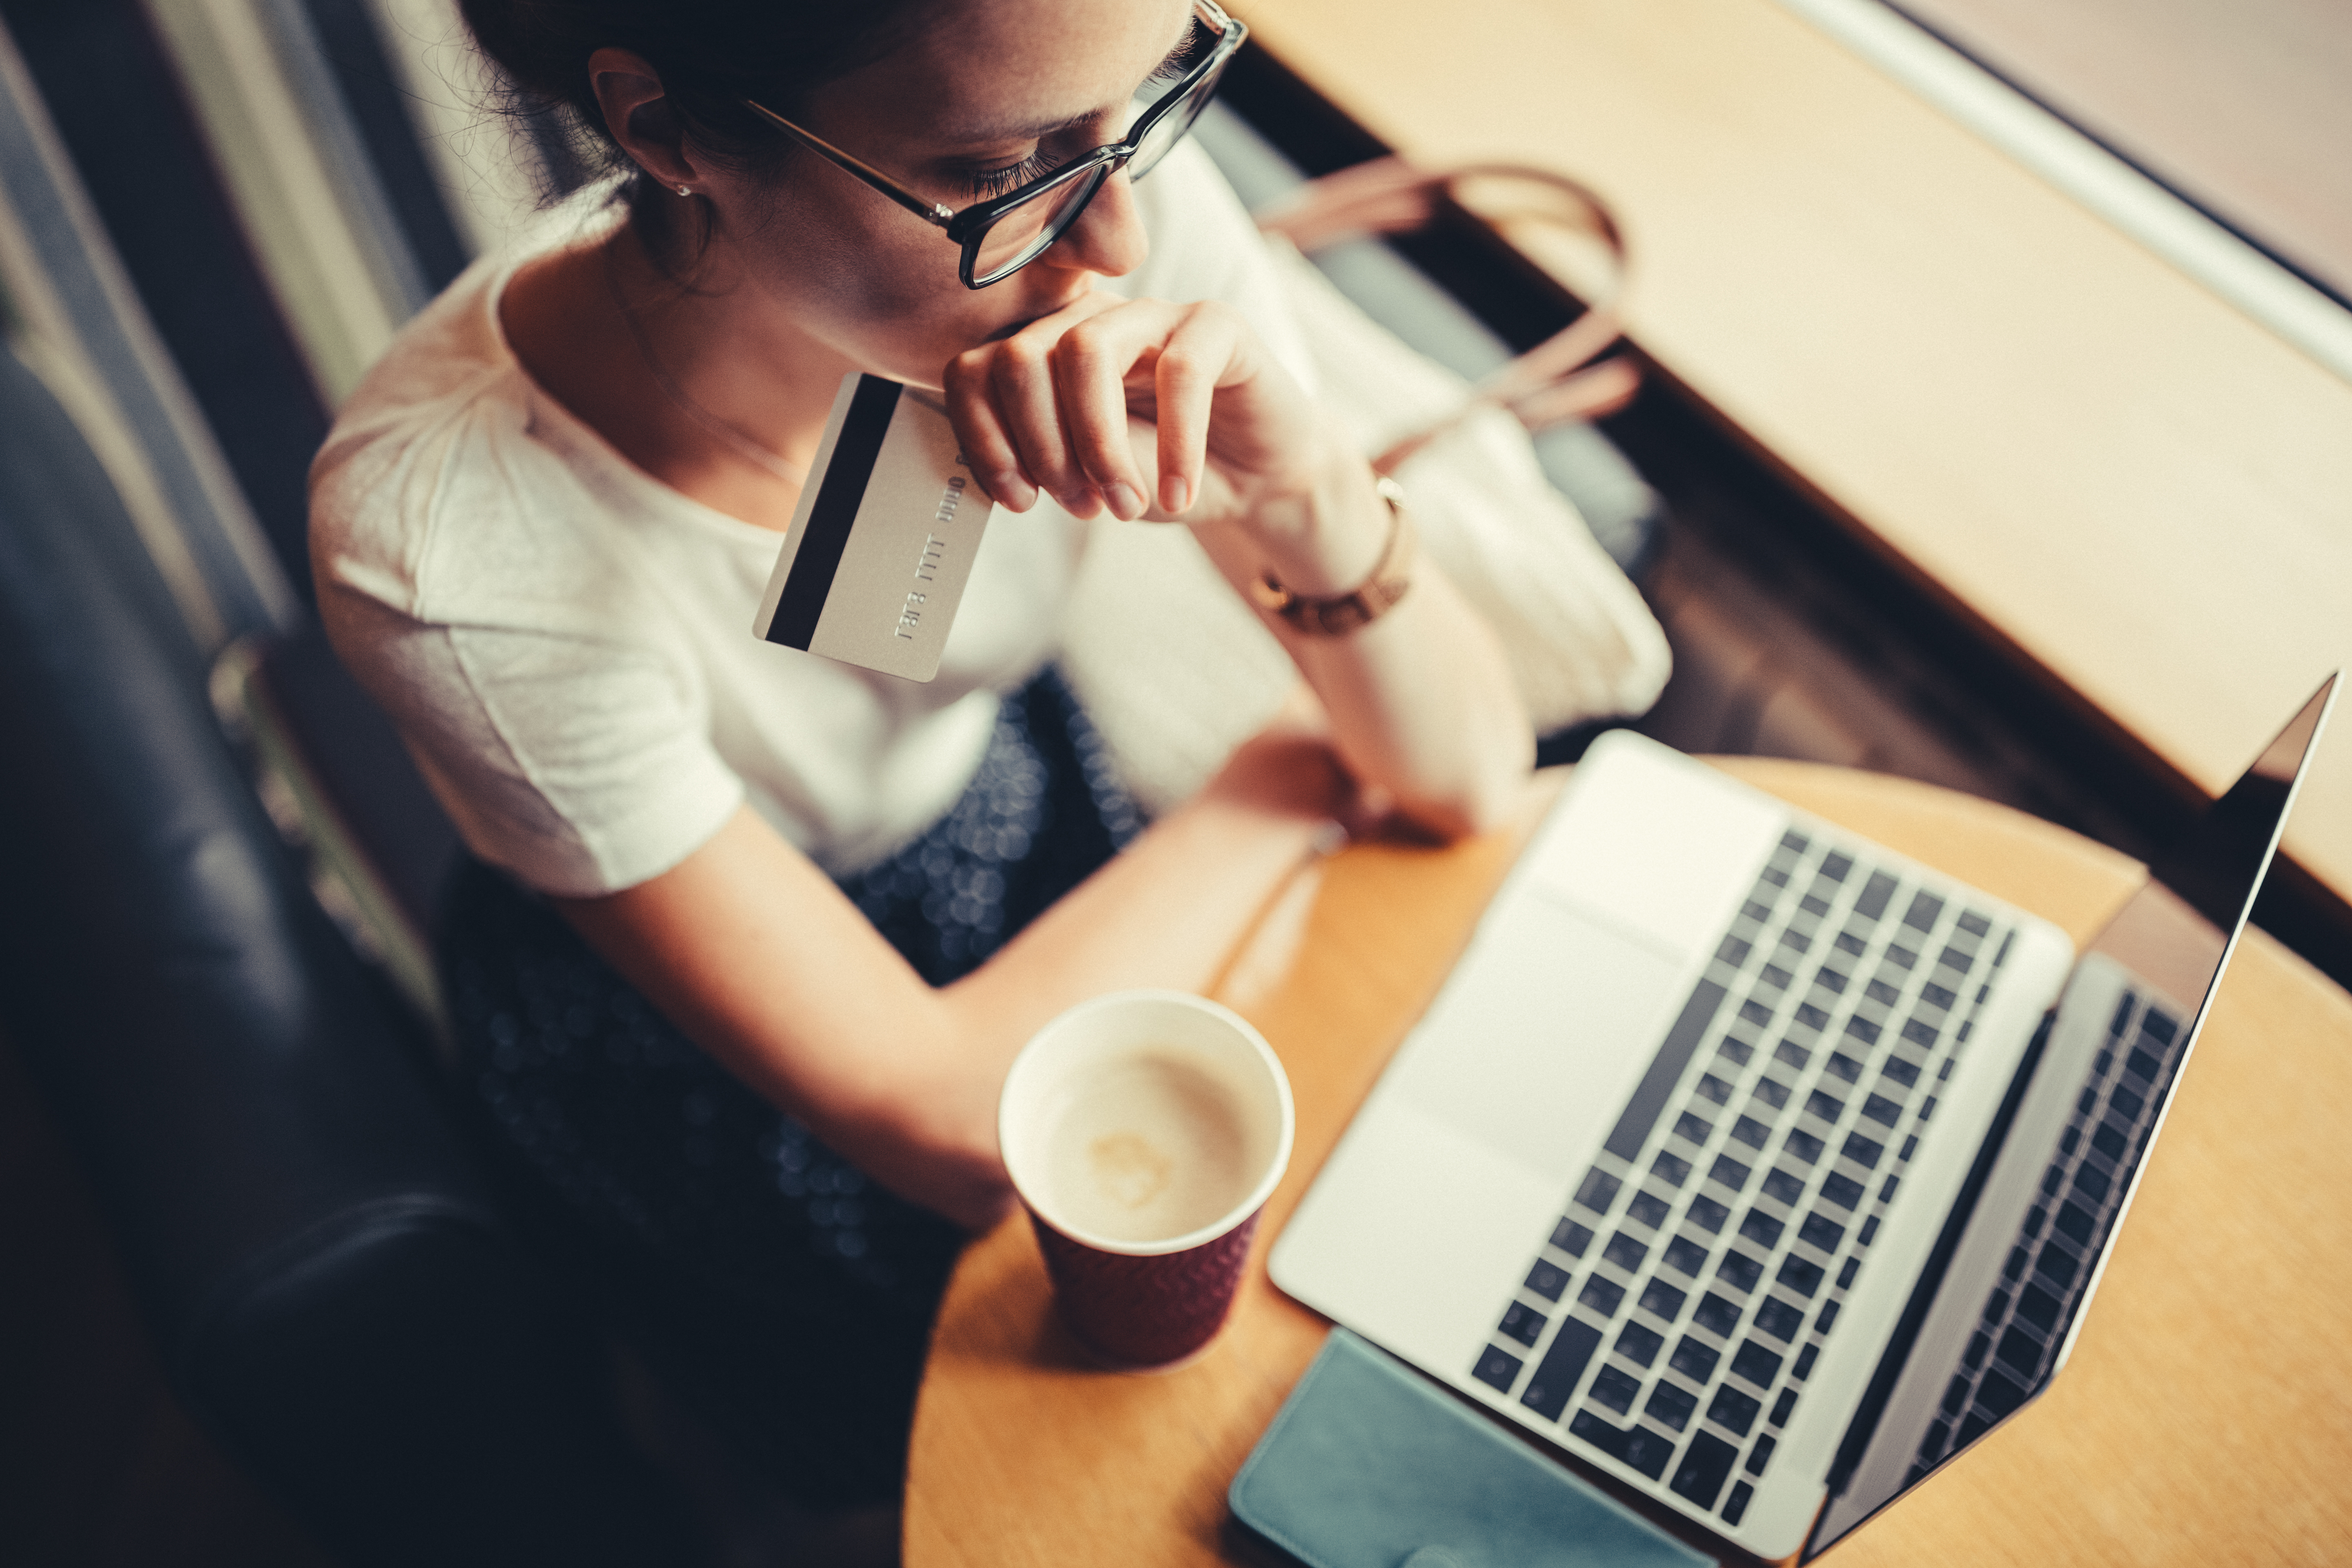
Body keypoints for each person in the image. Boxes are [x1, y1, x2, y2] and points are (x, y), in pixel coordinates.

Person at [310, 0, 1611, 1535]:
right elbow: (951, 1129)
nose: (1119, 239)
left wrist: (1310, 488)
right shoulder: (453, 552)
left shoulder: (1103, 212)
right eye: (1002, 169)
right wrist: (1297, 773)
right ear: (664, 132)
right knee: (986, 1441)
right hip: (710, 1030)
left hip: (1007, 803)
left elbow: (1463, 771)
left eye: (1141, 112)